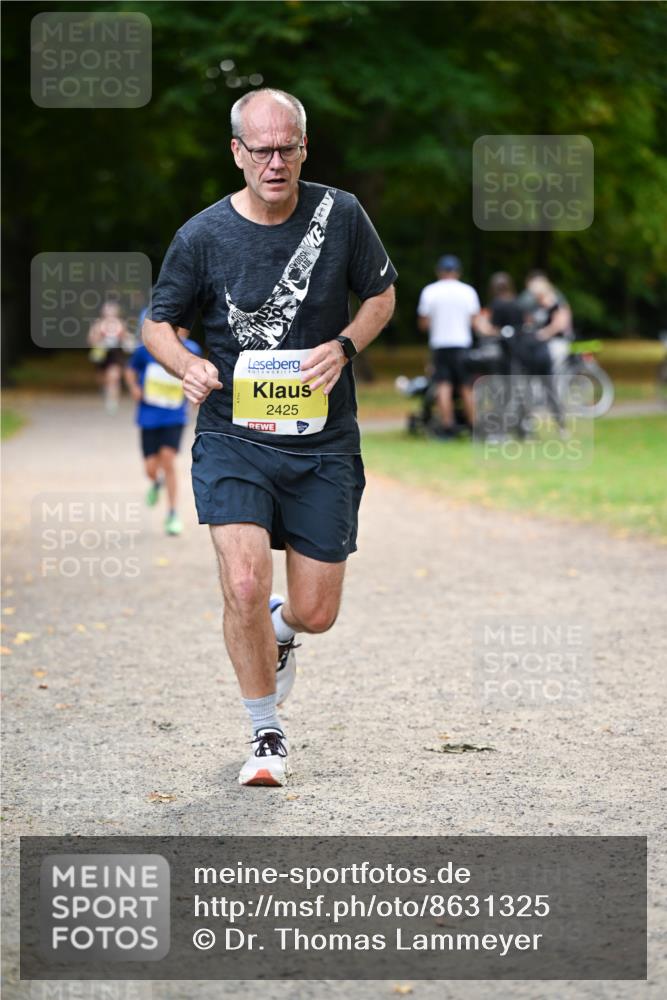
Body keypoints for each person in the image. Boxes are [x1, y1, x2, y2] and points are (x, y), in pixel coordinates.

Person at [142, 88, 396, 786]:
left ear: (304, 148)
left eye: (287, 147)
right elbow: (155, 322)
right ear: (237, 153)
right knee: (245, 582)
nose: (275, 161)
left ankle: (282, 633)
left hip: (323, 443)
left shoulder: (339, 214)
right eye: (261, 150)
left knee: (316, 611)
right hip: (234, 436)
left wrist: (344, 345)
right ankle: (265, 734)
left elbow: (380, 294)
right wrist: (187, 363)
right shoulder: (202, 236)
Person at [125, 329, 202, 536]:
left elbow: (196, 376)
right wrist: (133, 387)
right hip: (148, 415)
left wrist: (195, 395)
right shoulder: (145, 349)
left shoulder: (192, 349)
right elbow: (131, 370)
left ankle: (172, 513)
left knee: (168, 459)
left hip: (174, 415)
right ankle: (156, 482)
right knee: (151, 468)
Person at [417, 255, 481, 438]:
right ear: (457, 272)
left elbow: (423, 323)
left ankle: (447, 426)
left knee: (443, 386)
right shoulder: (468, 291)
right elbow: (475, 322)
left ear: (439, 272)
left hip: (440, 344)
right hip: (462, 344)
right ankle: (473, 425)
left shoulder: (430, 291)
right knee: (466, 386)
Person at [87, 301, 134, 413]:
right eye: (108, 311)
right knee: (102, 379)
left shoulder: (121, 324)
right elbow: (90, 340)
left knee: (114, 376)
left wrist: (128, 341)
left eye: (113, 312)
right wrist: (99, 338)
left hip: (115, 354)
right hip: (101, 355)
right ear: (103, 313)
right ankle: (105, 389)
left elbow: (127, 339)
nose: (110, 314)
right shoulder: (98, 324)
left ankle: (112, 402)